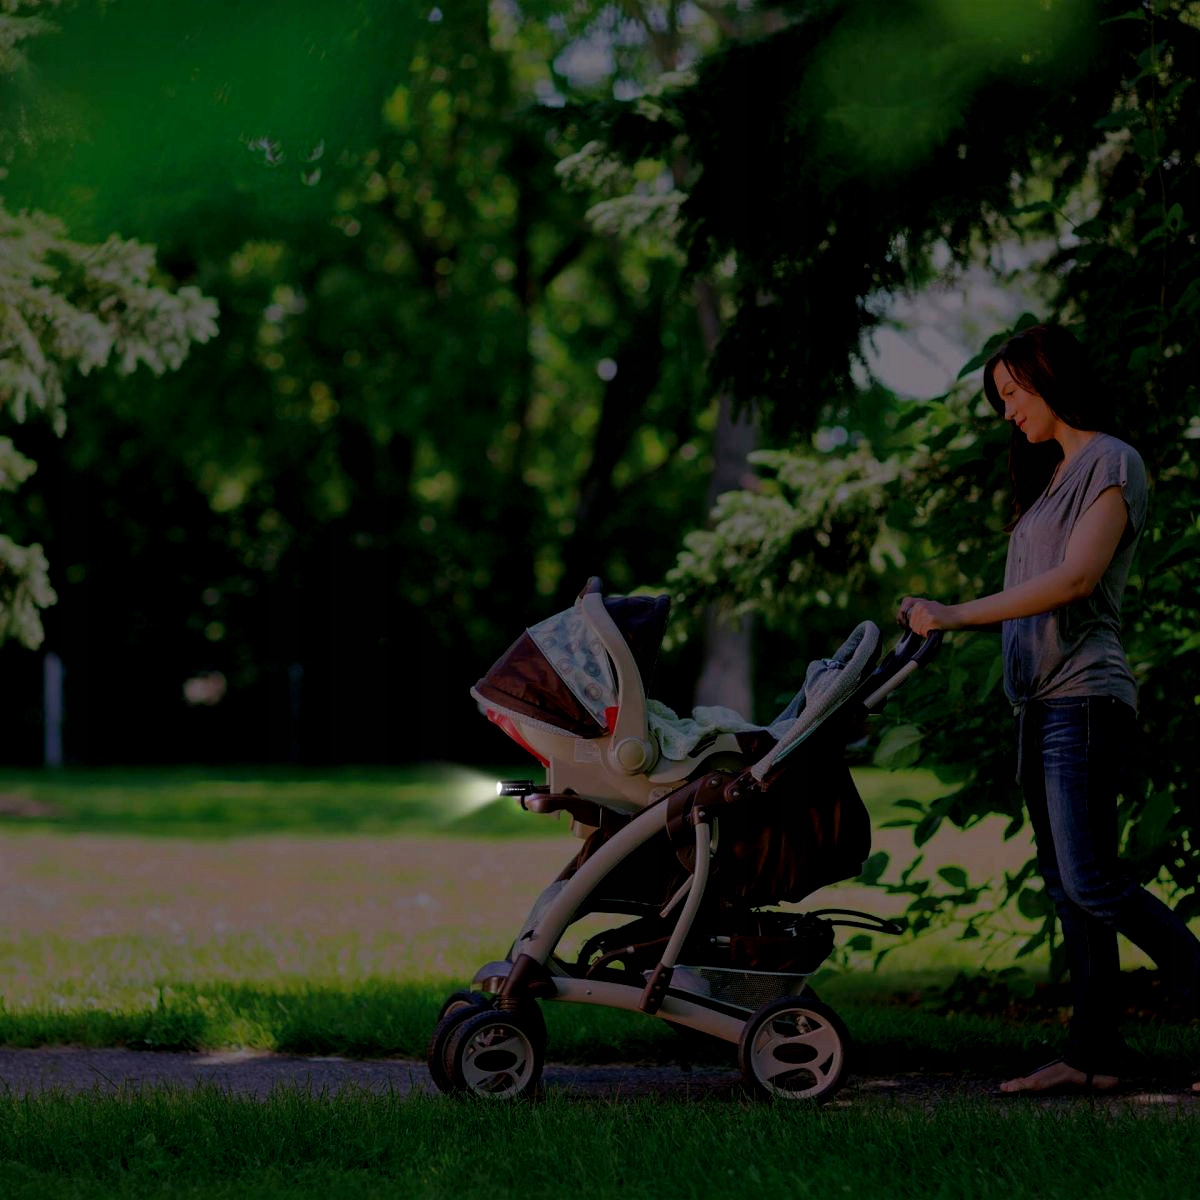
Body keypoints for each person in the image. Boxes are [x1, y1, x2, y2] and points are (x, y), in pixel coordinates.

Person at [896, 322, 1200, 1095]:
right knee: (1070, 888)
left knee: (1094, 879)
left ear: (1048, 380)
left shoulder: (1112, 462)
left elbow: (1075, 582)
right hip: (1040, 705)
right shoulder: (1046, 486)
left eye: (1012, 394)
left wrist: (958, 612)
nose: (1007, 412)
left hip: (1087, 700)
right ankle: (1093, 1053)